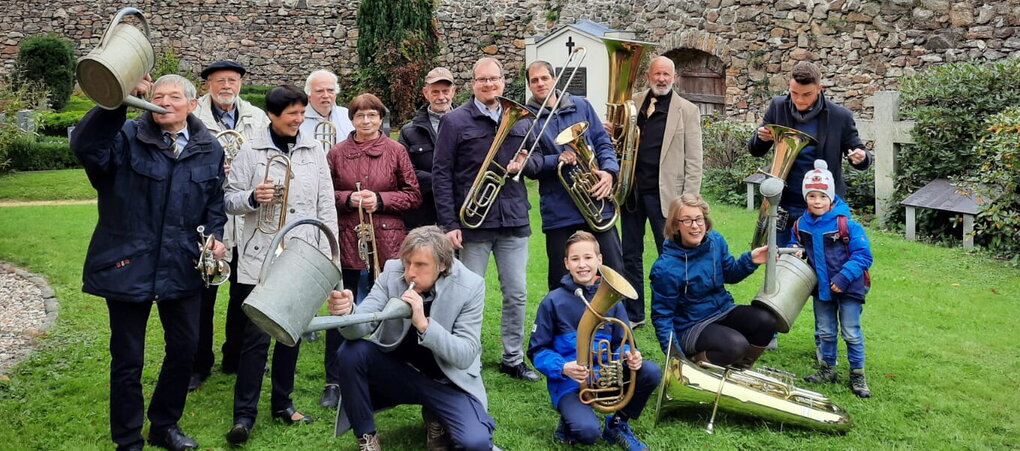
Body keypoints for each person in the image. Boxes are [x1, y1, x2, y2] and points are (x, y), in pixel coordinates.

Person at [72, 73, 227, 451]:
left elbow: (214, 201)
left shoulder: (209, 146)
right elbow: (86, 146)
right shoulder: (124, 136)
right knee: (128, 358)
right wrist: (116, 98)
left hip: (183, 264)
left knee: (185, 350)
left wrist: (216, 235)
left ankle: (164, 426)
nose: (165, 102)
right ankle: (127, 440)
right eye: (159, 96)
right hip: (129, 263)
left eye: (175, 97)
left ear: (193, 104)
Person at [223, 85, 339, 444]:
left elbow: (325, 203)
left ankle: (283, 405)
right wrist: (252, 197)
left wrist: (329, 252)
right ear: (273, 115)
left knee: (291, 334)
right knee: (255, 338)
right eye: (293, 115)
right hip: (261, 255)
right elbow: (228, 200)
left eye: (302, 114)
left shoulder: (314, 149)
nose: (300, 121)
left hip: (301, 253)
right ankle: (244, 415)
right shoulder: (250, 150)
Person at [327, 226, 497, 451]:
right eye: (407, 262)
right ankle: (366, 438)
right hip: (399, 374)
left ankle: (435, 413)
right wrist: (348, 312)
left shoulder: (470, 285)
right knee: (351, 351)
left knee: (475, 443)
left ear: (443, 265)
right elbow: (362, 323)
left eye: (420, 265)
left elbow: (465, 355)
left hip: (448, 382)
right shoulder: (392, 271)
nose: (409, 273)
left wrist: (424, 325)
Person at [433, 57, 543, 382]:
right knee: (467, 293)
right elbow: (441, 175)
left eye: (494, 79)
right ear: (473, 83)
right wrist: (449, 224)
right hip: (473, 225)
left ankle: (513, 358)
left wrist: (526, 163)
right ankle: (467, 357)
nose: (489, 84)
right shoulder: (454, 121)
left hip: (512, 219)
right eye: (482, 80)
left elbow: (538, 158)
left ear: (503, 81)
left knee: (517, 292)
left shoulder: (522, 119)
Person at [323, 93, 422, 408]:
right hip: (349, 236)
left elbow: (413, 195)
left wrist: (380, 200)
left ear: (382, 119)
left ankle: (397, 367)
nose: (366, 121)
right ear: (351, 119)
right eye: (360, 116)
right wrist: (346, 199)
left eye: (372, 116)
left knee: (396, 306)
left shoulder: (396, 150)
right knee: (342, 306)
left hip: (388, 240)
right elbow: (324, 194)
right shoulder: (336, 153)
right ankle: (335, 379)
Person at [527, 232, 660, 450]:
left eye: (588, 258)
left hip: (605, 375)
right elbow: (537, 350)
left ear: (599, 259)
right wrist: (563, 367)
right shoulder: (552, 301)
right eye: (575, 259)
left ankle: (617, 424)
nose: (582, 265)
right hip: (570, 382)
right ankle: (569, 421)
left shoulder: (612, 299)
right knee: (587, 433)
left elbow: (621, 341)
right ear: (566, 263)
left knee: (650, 371)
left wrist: (628, 354)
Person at [190, 60, 271, 391]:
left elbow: (267, 157)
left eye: (233, 80)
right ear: (208, 84)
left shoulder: (256, 116)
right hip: (207, 215)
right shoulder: (194, 116)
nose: (227, 86)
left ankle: (235, 357)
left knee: (244, 292)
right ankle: (199, 363)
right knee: (204, 294)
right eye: (220, 80)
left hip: (247, 218)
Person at [618, 56, 703, 330]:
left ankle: (675, 311)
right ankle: (634, 313)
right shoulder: (633, 103)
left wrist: (688, 203)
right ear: (648, 76)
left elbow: (695, 161)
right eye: (658, 74)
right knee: (630, 254)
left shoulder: (687, 110)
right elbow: (621, 143)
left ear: (674, 77)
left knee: (669, 256)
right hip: (632, 193)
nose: (662, 79)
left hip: (668, 196)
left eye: (667, 74)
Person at [747, 61, 872, 247]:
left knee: (825, 266)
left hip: (824, 206)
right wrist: (762, 138)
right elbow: (755, 150)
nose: (799, 100)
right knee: (781, 266)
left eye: (807, 94)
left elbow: (860, 154)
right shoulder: (777, 106)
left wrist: (861, 157)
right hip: (784, 203)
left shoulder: (840, 116)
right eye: (794, 93)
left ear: (819, 88)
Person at [524, 60, 624, 291]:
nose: (540, 83)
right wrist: (556, 160)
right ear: (529, 85)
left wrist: (609, 172)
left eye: (544, 78)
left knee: (612, 266)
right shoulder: (526, 118)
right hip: (558, 205)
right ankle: (562, 321)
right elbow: (529, 163)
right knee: (560, 275)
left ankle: (618, 321)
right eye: (534, 80)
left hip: (595, 199)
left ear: (554, 79)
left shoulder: (581, 105)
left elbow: (602, 142)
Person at [649, 194, 776, 368]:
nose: (695, 226)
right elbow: (662, 317)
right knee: (735, 345)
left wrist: (751, 260)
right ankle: (694, 366)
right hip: (690, 326)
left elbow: (730, 274)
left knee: (767, 321)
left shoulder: (715, 242)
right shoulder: (665, 268)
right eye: (686, 220)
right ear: (675, 225)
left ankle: (738, 370)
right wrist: (675, 357)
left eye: (699, 219)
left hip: (722, 310)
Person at [789, 160, 874, 398]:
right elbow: (795, 243)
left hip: (849, 288)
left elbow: (863, 256)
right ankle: (827, 368)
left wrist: (844, 277)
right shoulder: (801, 224)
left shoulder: (847, 224)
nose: (817, 201)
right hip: (821, 289)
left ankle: (857, 374)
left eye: (822, 196)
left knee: (851, 331)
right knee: (825, 331)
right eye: (812, 196)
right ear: (805, 196)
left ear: (831, 197)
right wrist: (795, 248)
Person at [398, 66, 458, 229]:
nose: (441, 97)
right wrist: (443, 181)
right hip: (424, 213)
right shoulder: (408, 131)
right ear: (426, 93)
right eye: (435, 92)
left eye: (445, 91)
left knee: (459, 255)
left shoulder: (468, 125)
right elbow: (406, 172)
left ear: (453, 91)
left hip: (459, 209)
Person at [300, 69, 355, 151]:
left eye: (330, 90)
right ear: (309, 94)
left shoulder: (346, 115)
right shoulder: (297, 119)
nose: (326, 95)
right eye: (319, 91)